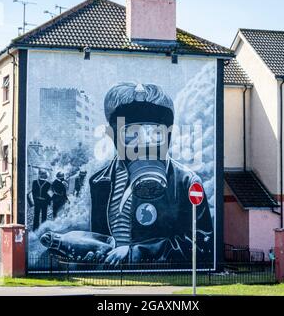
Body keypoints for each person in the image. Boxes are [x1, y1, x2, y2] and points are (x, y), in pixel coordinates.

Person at [40, 83, 213, 267]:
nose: (145, 143)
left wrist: (136, 254)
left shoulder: (186, 183)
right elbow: (102, 242)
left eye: (156, 133)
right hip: (110, 279)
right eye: (131, 134)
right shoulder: (99, 182)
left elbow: (202, 245)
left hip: (156, 277)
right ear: (113, 136)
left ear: (168, 135)